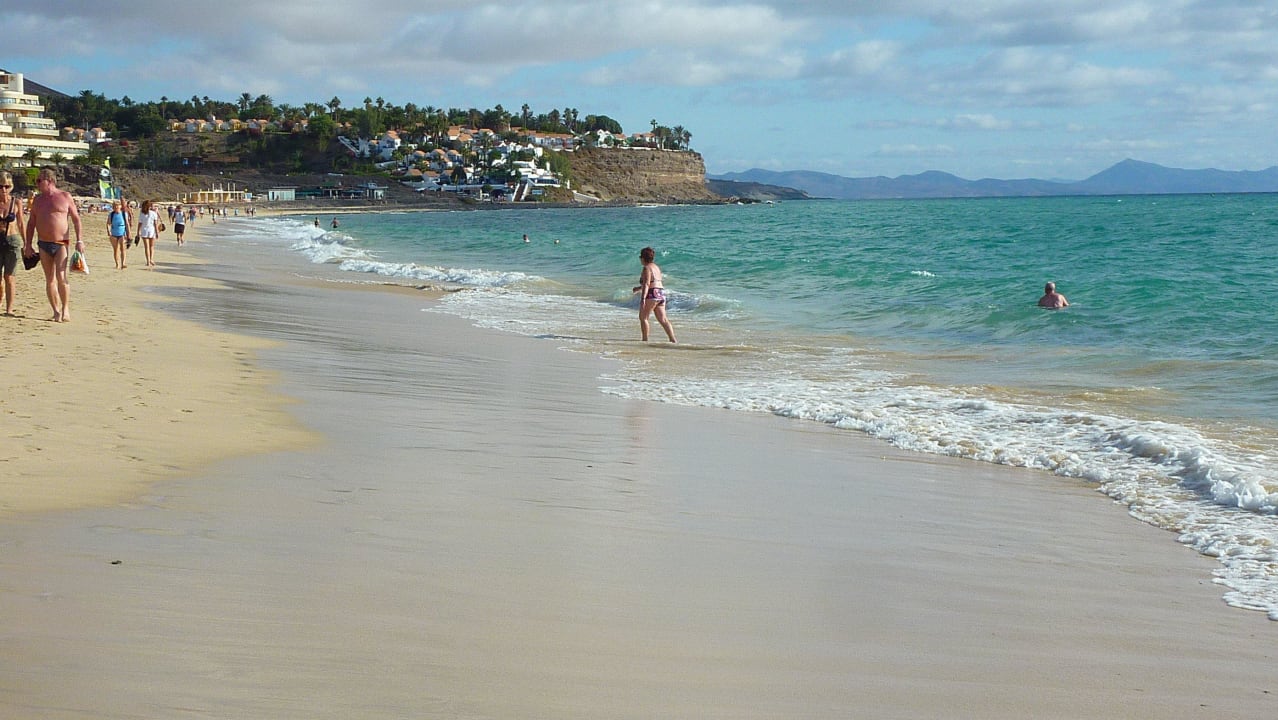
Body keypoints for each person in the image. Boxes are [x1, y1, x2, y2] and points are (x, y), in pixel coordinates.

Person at [23, 167, 82, 322]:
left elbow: (76, 219)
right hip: (43, 243)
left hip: (61, 242)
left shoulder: (64, 196)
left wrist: (79, 240)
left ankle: (65, 309)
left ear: (49, 181)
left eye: (39, 181)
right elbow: (31, 223)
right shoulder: (37, 200)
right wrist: (28, 245)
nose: (37, 184)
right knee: (49, 279)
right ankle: (56, 311)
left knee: (61, 276)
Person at [633, 246, 677, 343]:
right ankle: (673, 339)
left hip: (652, 294)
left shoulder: (646, 268)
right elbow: (654, 282)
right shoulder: (656, 267)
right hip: (661, 293)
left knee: (643, 318)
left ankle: (645, 340)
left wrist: (643, 298)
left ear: (643, 258)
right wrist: (639, 288)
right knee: (663, 319)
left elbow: (647, 284)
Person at [0, 172, 29, 315]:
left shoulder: (16, 202)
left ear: (11, 187)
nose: (3, 189)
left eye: (7, 186)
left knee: (9, 276)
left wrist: (27, 243)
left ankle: (9, 309)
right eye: (0, 186)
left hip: (12, 241)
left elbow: (21, 224)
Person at [106, 199, 131, 269]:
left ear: (120, 206)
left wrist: (128, 234)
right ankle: (117, 264)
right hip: (114, 234)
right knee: (115, 249)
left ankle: (123, 263)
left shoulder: (124, 214)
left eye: (117, 206)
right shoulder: (111, 214)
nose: (116, 207)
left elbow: (127, 224)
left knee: (123, 249)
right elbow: (108, 223)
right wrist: (108, 231)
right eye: (114, 206)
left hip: (122, 233)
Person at [136, 199, 160, 267]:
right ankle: (151, 259)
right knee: (151, 246)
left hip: (144, 231)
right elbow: (155, 224)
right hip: (152, 231)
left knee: (146, 247)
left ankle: (148, 261)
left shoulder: (142, 214)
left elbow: (140, 224)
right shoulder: (154, 213)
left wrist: (138, 232)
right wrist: (157, 232)